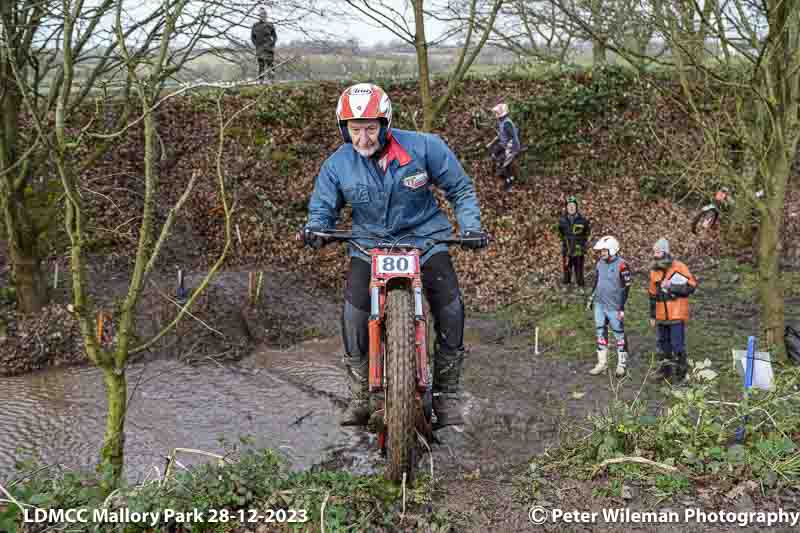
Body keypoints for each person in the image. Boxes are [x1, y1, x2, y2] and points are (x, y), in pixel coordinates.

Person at [300, 83, 490, 428]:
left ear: (385, 124)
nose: (363, 139)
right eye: (355, 130)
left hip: (426, 237)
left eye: (370, 129)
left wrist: (471, 226)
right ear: (345, 130)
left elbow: (460, 188)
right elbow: (323, 205)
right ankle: (360, 396)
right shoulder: (337, 165)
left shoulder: (426, 147)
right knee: (354, 313)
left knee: (450, 306)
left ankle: (447, 394)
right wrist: (316, 227)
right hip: (367, 243)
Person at [649, 238, 698, 382]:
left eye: (658, 251)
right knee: (662, 345)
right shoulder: (654, 271)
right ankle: (664, 371)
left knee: (677, 345)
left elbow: (691, 286)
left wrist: (672, 286)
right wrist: (652, 316)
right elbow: (652, 294)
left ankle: (681, 374)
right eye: (654, 251)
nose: (656, 254)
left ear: (665, 251)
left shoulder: (679, 267)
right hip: (660, 315)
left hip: (676, 313)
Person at [587, 236, 632, 377]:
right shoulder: (600, 263)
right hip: (599, 303)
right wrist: (591, 297)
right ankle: (602, 364)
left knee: (619, 333)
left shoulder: (622, 265)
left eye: (604, 251)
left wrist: (621, 307)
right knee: (600, 331)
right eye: (600, 251)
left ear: (613, 250)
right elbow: (597, 281)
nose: (602, 253)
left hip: (614, 305)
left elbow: (626, 288)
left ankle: (622, 365)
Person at [558, 196, 591, 290]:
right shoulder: (562, 220)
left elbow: (587, 233)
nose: (571, 207)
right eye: (569, 206)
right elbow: (559, 233)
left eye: (573, 205)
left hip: (578, 250)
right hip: (567, 250)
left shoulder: (583, 220)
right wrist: (565, 241)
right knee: (567, 268)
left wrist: (582, 242)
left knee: (579, 269)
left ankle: (580, 285)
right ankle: (566, 284)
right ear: (566, 208)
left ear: (576, 207)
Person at [487, 102, 521, 192]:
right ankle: (496, 175)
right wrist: (492, 143)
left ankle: (509, 184)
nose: (495, 115)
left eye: (497, 113)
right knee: (493, 154)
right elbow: (500, 135)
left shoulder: (507, 123)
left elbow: (513, 137)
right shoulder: (501, 122)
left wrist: (508, 150)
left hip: (512, 147)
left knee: (505, 164)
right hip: (504, 144)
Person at [251, 7, 277, 82]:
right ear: (259, 16)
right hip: (259, 48)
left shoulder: (270, 25)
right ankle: (261, 81)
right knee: (261, 65)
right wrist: (256, 45)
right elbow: (252, 37)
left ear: (266, 15)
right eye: (261, 14)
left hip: (269, 48)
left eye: (264, 14)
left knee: (270, 64)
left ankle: (271, 80)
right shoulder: (255, 25)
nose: (262, 16)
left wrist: (272, 44)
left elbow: (275, 37)